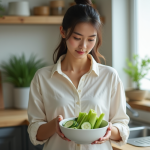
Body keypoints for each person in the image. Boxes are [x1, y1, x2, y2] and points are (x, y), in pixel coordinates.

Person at [27, 0, 130, 150]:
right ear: (63, 31)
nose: (83, 46)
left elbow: (122, 127)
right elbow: (35, 132)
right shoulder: (42, 78)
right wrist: (55, 125)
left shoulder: (109, 76)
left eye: (91, 39)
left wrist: (109, 131)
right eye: (77, 38)